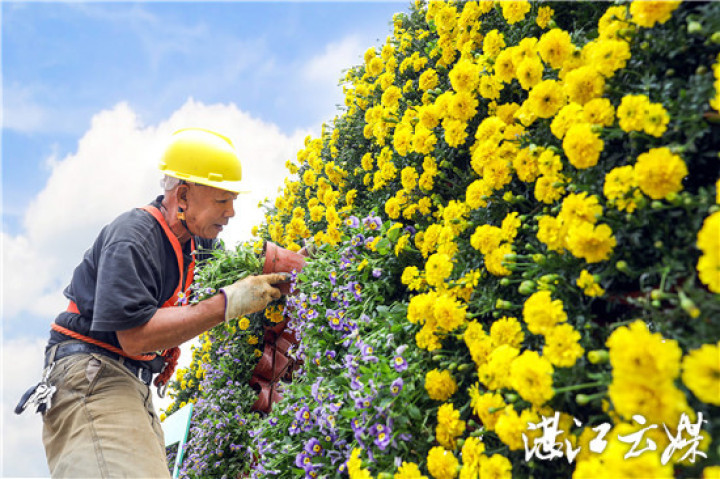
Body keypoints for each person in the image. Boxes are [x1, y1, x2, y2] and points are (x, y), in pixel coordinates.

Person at [21, 128, 287, 477]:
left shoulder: (198, 245)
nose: (232, 212)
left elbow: (246, 276)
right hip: (92, 376)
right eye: (222, 200)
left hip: (126, 381)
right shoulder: (133, 237)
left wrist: (295, 268)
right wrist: (229, 303)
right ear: (184, 195)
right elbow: (135, 336)